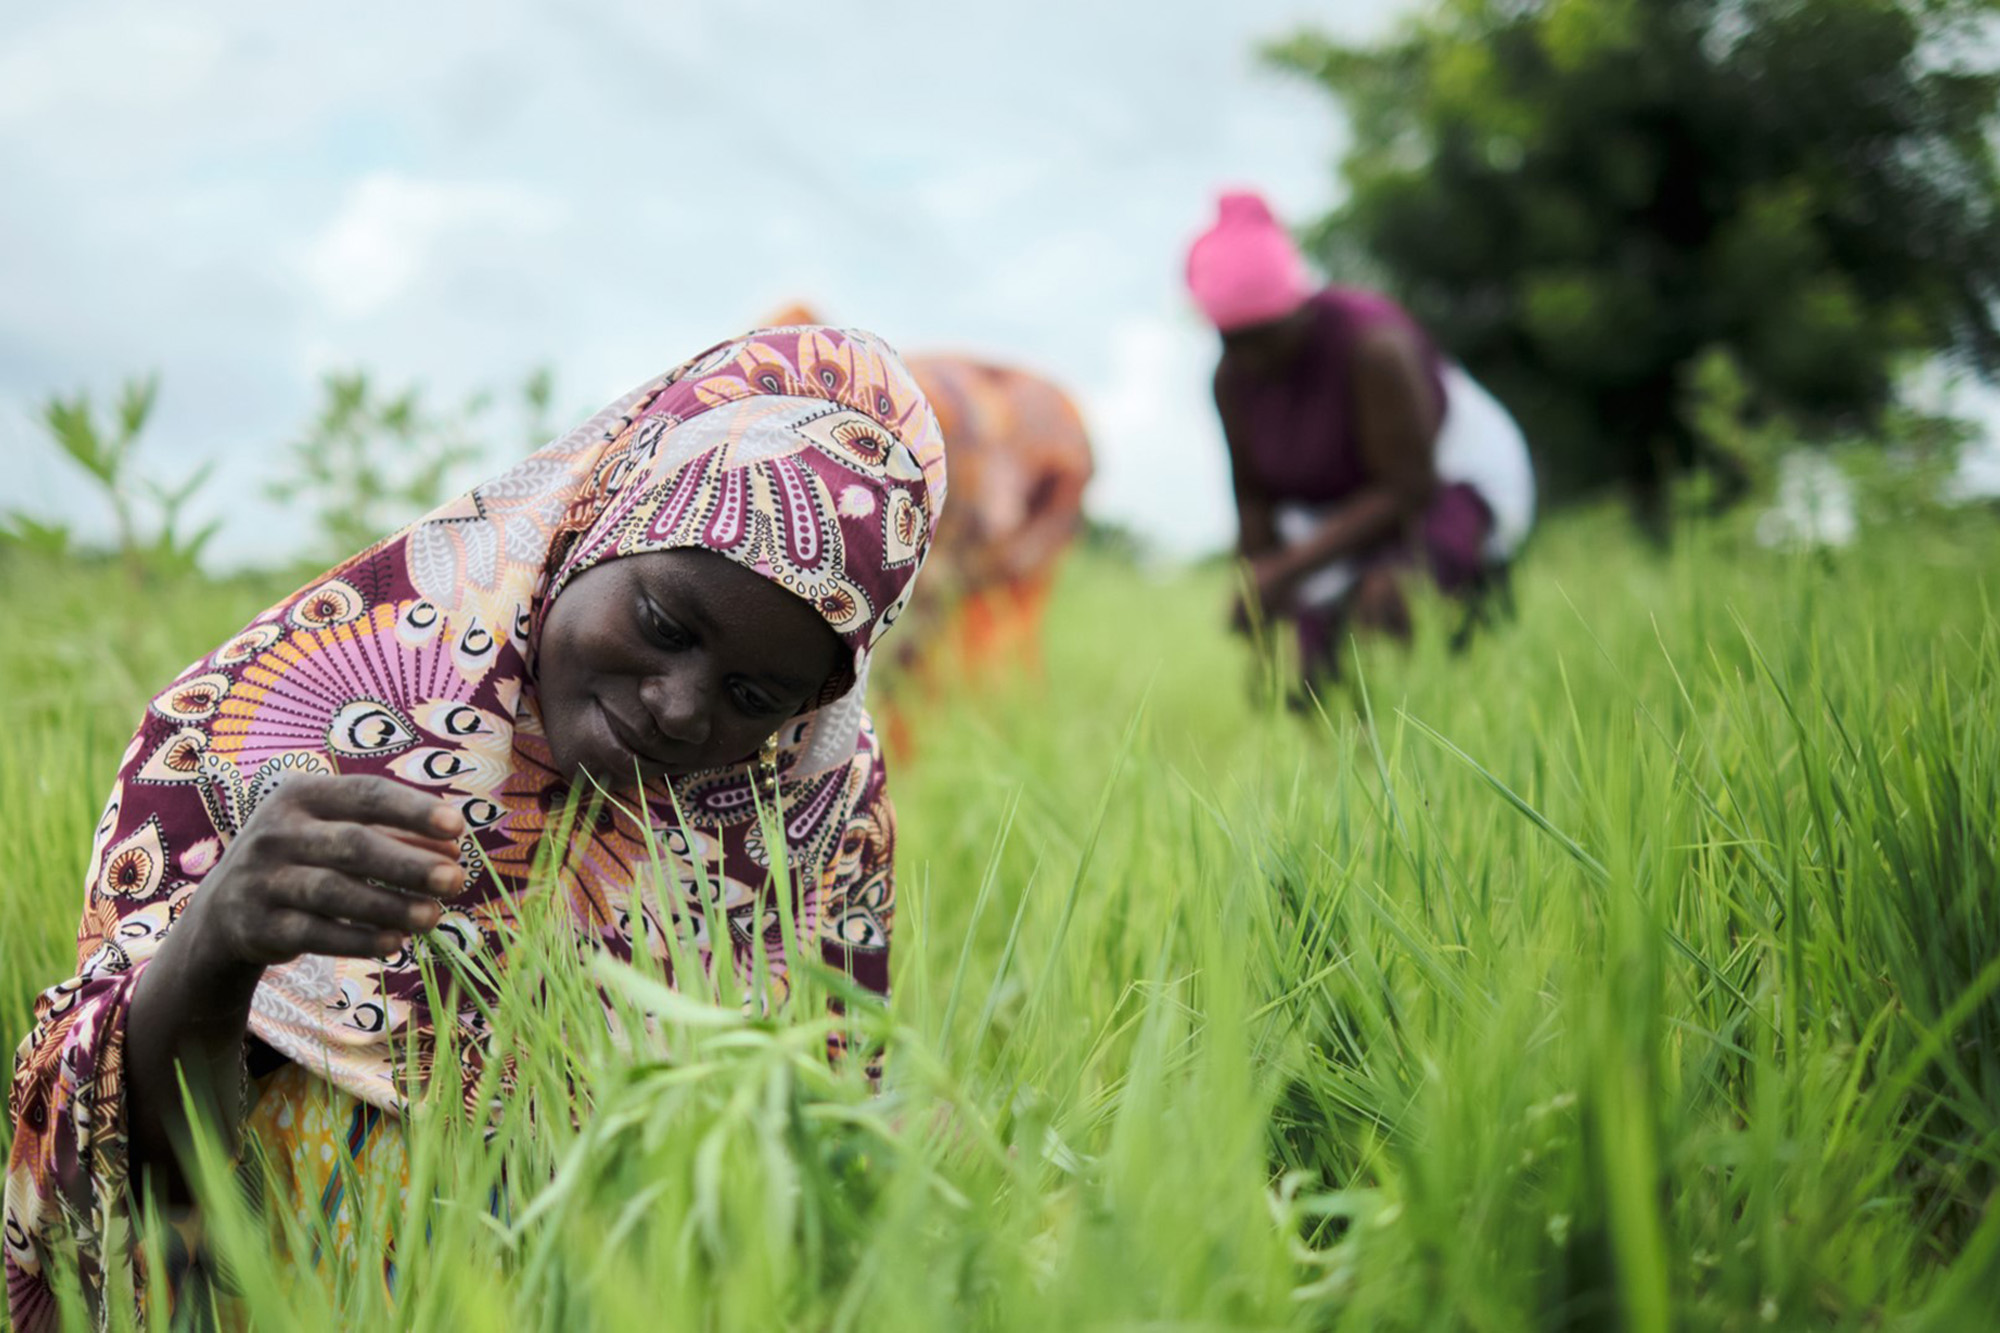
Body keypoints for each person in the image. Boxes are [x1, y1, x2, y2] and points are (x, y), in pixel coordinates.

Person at [4, 325, 947, 1329]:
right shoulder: (271, 722)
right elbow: (113, 1181)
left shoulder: (809, 822)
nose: (679, 706)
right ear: (595, 525)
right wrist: (217, 945)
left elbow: (829, 1172)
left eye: (752, 693)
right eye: (666, 625)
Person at [1186, 190, 1535, 687]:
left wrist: (1286, 572)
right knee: (1310, 678)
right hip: (1337, 510)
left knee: (1390, 599)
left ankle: (1459, 717)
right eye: (1231, 340)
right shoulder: (1230, 380)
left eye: (1262, 335)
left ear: (1296, 308)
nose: (1251, 358)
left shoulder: (1374, 350)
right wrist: (1260, 589)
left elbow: (1408, 490)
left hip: (1449, 479)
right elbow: (1254, 496)